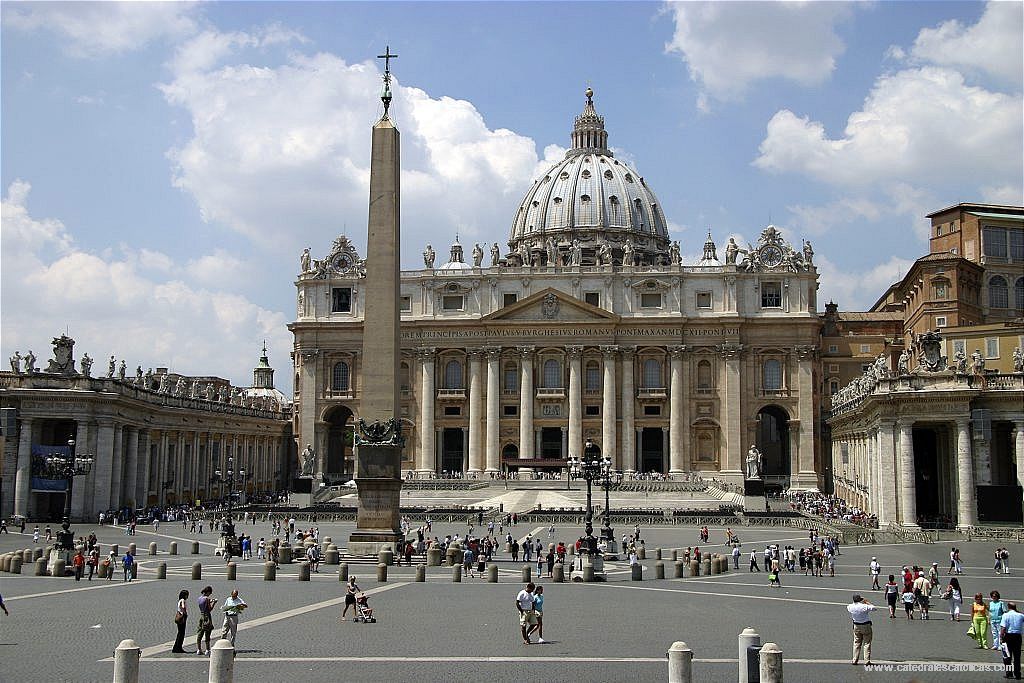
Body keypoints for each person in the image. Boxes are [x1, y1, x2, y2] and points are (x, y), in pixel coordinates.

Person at [847, 594, 876, 666]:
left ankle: (855, 660)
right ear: (860, 599)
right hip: (865, 625)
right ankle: (866, 660)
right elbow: (874, 608)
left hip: (856, 625)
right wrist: (867, 602)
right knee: (867, 643)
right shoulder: (864, 606)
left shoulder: (850, 607)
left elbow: (852, 605)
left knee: (856, 642)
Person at [1000, 601, 1023, 679]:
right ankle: (1017, 673)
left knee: (1006, 656)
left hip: (1008, 637)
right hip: (1017, 637)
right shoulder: (1021, 615)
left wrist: (1001, 638)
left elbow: (1003, 628)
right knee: (1017, 656)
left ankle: (1009, 673)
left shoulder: (1005, 615)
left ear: (1008, 607)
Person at [195, 586, 217, 656]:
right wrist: (214, 603)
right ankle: (207, 650)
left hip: (201, 616)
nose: (210, 594)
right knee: (207, 633)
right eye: (210, 593)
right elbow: (210, 608)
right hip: (207, 617)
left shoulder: (199, 598)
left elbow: (203, 604)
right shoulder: (207, 599)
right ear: (208, 592)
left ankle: (199, 649)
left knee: (200, 633)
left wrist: (210, 600)